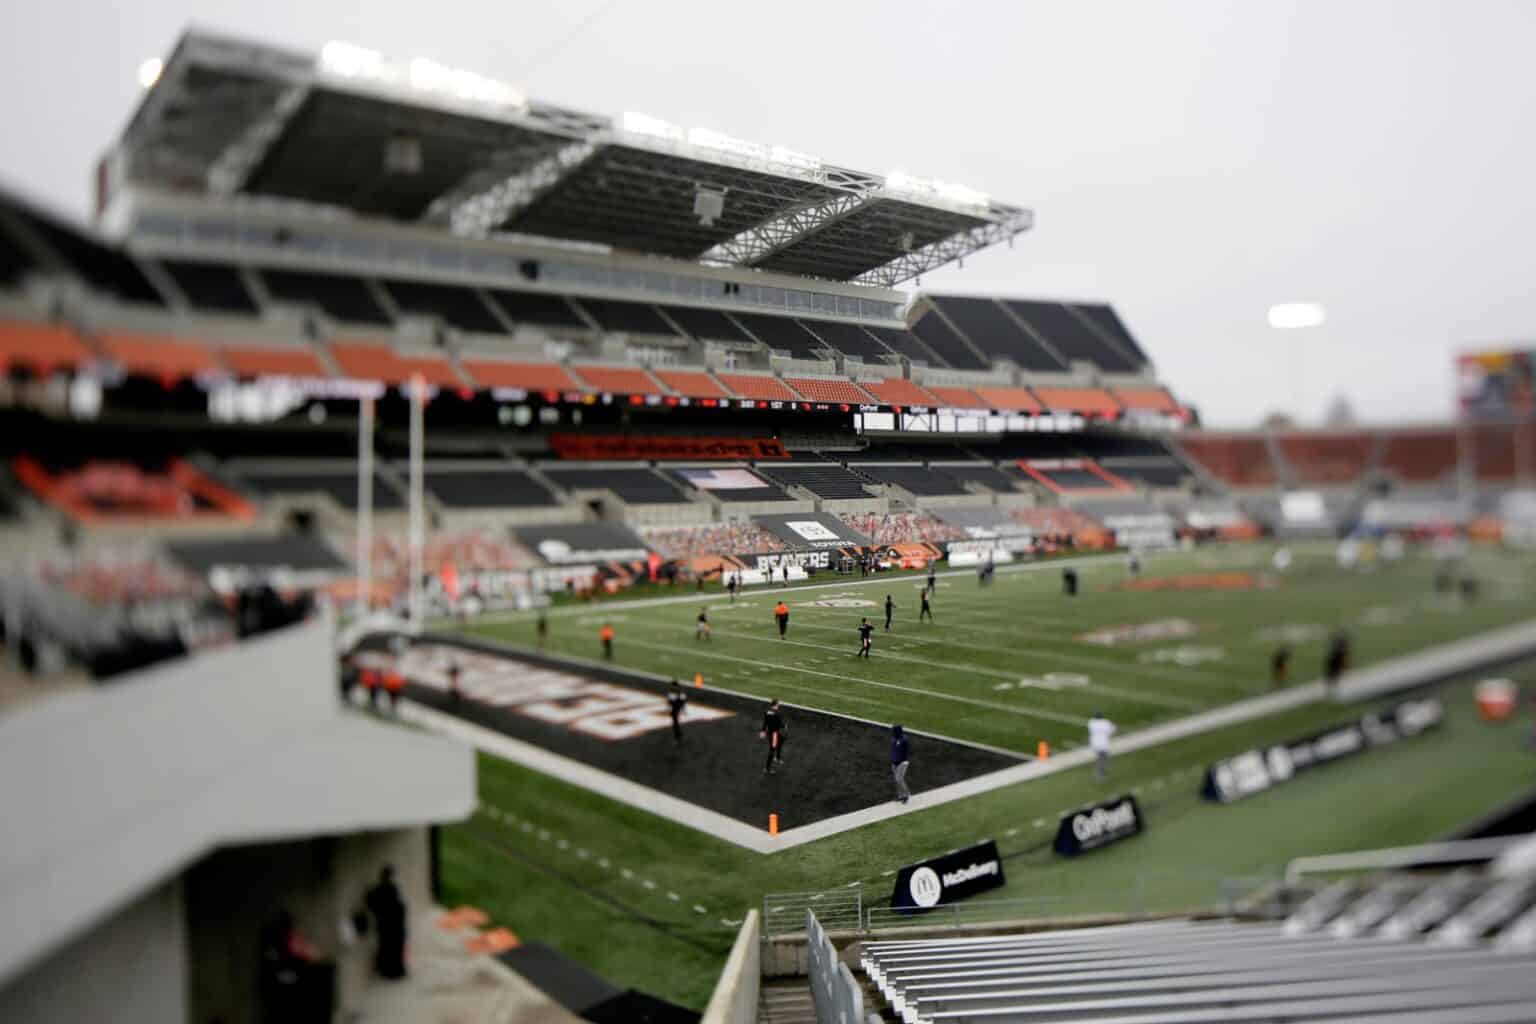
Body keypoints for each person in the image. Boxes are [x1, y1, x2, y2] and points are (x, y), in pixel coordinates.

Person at [364, 866, 408, 980]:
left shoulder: (384, 889)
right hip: (391, 923)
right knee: (392, 947)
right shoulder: (388, 889)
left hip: (389, 923)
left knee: (390, 947)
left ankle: (392, 970)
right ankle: (393, 971)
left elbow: (371, 902)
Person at [760, 699, 786, 773]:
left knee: (781, 740)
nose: (779, 705)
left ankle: (777, 757)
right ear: (776, 704)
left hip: (770, 732)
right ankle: (767, 768)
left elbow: (765, 722)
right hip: (774, 734)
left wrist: (763, 731)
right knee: (772, 750)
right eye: (778, 704)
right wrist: (784, 726)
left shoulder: (767, 712)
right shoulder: (777, 714)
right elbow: (780, 725)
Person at [1088, 711, 1116, 780]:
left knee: (1101, 757)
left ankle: (1102, 769)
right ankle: (1100, 772)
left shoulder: (1091, 723)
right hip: (1103, 743)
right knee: (1102, 758)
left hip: (1094, 743)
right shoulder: (1106, 723)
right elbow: (1112, 730)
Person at [890, 724, 912, 804]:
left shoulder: (904, 740)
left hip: (903, 762)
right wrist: (892, 760)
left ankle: (906, 794)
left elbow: (903, 751)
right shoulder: (894, 739)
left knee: (899, 779)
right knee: (896, 780)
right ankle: (900, 796)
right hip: (894, 762)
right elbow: (893, 750)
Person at [667, 680, 687, 745]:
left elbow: (682, 701)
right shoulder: (673, 692)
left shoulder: (679, 692)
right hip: (675, 708)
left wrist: (683, 709)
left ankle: (678, 737)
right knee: (675, 723)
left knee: (675, 723)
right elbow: (670, 701)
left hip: (676, 707)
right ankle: (678, 736)